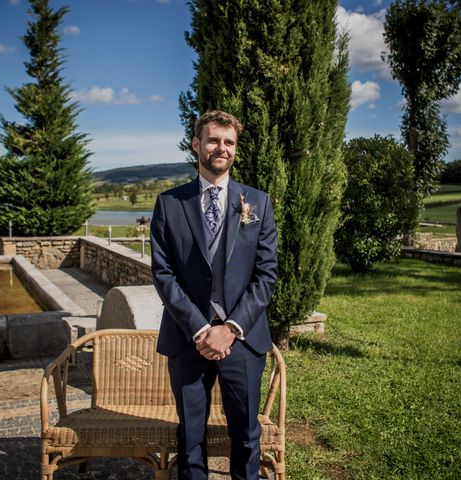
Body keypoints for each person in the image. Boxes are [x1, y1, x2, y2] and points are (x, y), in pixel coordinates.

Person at [150, 110, 278, 480]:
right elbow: (163, 272)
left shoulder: (259, 202)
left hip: (243, 339)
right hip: (187, 339)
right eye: (213, 140)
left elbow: (266, 274)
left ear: (235, 149)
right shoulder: (170, 204)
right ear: (196, 144)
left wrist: (231, 327)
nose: (220, 148)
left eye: (229, 142)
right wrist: (200, 328)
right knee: (190, 437)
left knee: (247, 436)